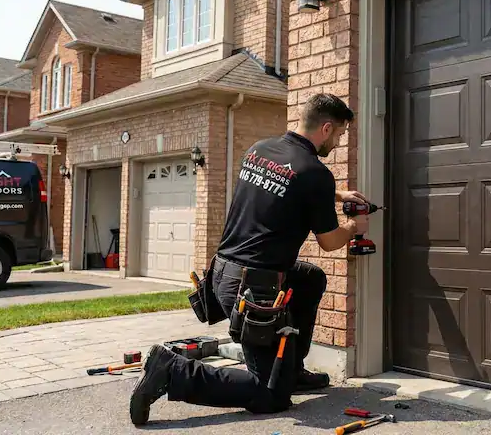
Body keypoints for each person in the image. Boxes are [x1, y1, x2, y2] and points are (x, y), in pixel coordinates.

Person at [128, 93, 370, 425]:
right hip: (255, 291)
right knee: (269, 394)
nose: (339, 142)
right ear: (327, 128)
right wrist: (354, 226)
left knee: (310, 279)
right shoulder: (315, 173)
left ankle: (291, 368)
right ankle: (171, 371)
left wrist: (337, 194)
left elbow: (286, 182)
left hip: (222, 274)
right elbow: (329, 242)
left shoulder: (260, 150)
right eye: (340, 134)